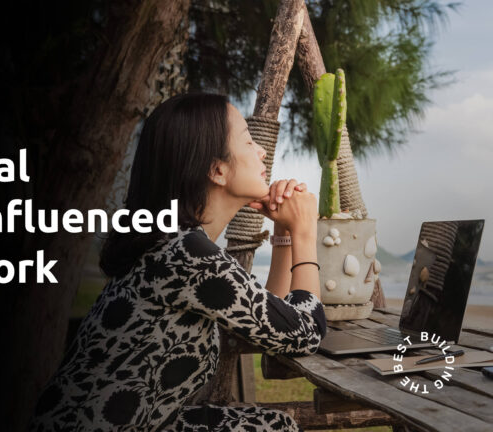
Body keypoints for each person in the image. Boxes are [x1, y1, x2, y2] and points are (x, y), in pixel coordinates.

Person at [29, 92, 326, 431]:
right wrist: (305, 231)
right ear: (217, 169)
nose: (261, 151)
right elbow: (305, 332)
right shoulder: (186, 252)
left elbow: (271, 324)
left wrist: (286, 234)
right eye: (248, 141)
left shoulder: (170, 244)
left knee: (272, 425)